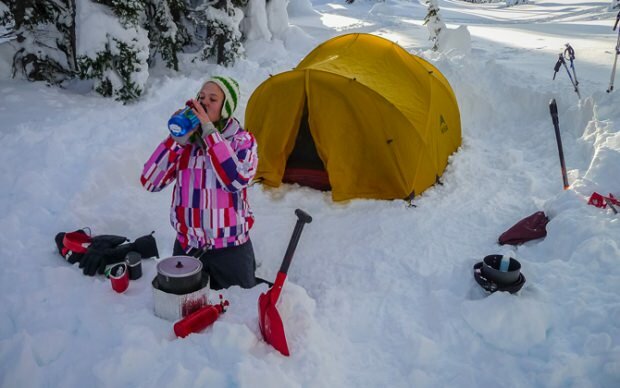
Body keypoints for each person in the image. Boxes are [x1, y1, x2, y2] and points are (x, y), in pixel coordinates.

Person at [141, 76, 258, 290]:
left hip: (231, 250)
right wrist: (175, 141)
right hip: (188, 248)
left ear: (226, 107)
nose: (204, 102)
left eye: (213, 99)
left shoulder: (242, 141)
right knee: (185, 313)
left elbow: (236, 180)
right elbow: (150, 181)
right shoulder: (187, 144)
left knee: (237, 316)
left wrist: (210, 134)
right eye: (201, 97)